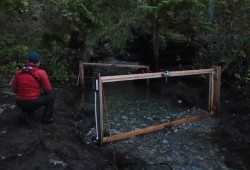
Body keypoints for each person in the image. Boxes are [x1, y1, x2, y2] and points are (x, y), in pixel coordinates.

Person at [12, 51, 56, 125]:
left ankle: (26, 114)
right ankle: (47, 118)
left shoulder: (18, 72)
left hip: (20, 102)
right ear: (38, 62)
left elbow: (14, 89)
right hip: (32, 102)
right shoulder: (41, 72)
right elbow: (48, 89)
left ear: (29, 61)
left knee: (29, 101)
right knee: (52, 95)